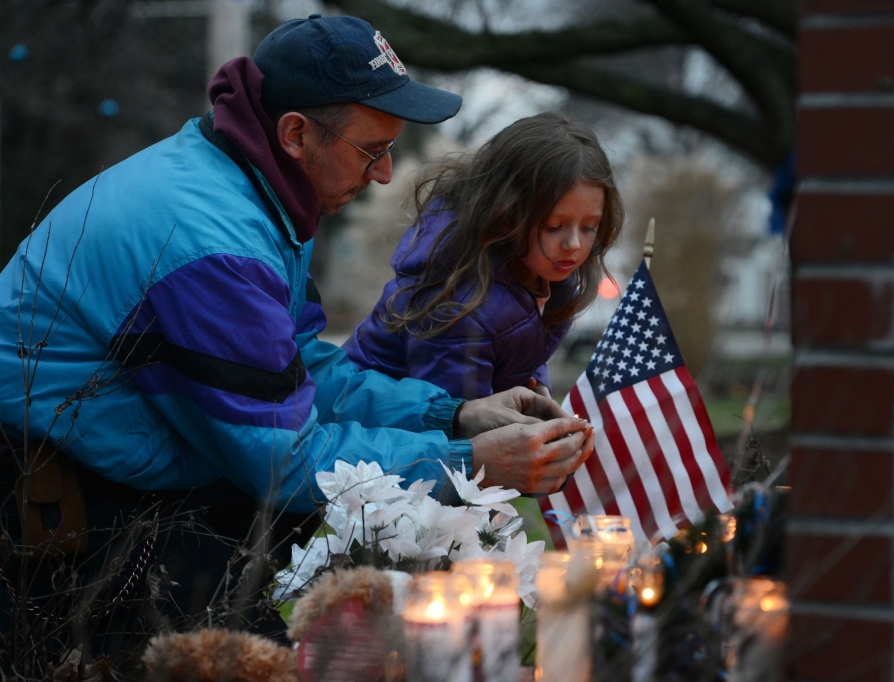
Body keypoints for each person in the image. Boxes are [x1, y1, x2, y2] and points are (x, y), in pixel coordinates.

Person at [0, 15, 593, 645]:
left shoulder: (249, 190)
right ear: (295, 133)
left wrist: (455, 415)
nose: (387, 173)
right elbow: (286, 460)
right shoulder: (214, 243)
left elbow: (299, 362)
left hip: (113, 472)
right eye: (372, 150)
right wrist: (470, 463)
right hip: (47, 501)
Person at [343, 113, 623, 400]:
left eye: (590, 226)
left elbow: (521, 345)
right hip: (360, 424)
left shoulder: (545, 274)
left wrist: (536, 387)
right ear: (505, 212)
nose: (574, 243)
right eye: (553, 226)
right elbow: (456, 421)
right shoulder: (458, 304)